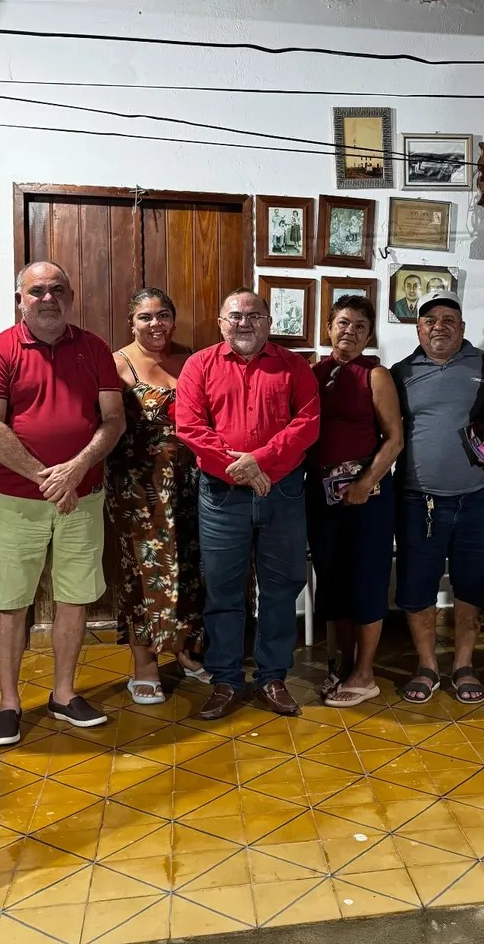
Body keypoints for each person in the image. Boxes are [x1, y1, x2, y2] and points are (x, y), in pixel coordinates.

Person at [0, 261, 126, 747]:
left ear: (70, 297)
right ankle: (8, 704)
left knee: (75, 599)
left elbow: (114, 419)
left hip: (83, 497)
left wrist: (76, 469)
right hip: (18, 499)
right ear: (20, 298)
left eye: (57, 289)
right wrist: (49, 478)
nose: (48, 298)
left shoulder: (94, 348)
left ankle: (63, 694)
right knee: (11, 603)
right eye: (37, 290)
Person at [175, 287, 320, 720]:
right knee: (223, 589)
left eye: (254, 316)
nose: (244, 323)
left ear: (269, 322)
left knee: (281, 587)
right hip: (222, 495)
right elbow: (189, 426)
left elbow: (308, 424)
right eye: (235, 316)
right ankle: (225, 679)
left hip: (283, 492)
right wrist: (240, 468)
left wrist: (260, 460)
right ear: (221, 323)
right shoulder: (199, 365)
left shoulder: (295, 366)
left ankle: (272, 676)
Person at [391, 290, 484, 706]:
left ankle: (463, 664)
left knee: (472, 585)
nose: (439, 326)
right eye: (429, 320)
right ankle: (426, 665)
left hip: (474, 498)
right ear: (418, 329)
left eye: (448, 320)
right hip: (416, 501)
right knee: (416, 586)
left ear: (462, 327)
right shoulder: (399, 373)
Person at [106, 288, 207, 705]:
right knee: (145, 573)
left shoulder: (192, 358)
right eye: (145, 317)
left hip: (191, 483)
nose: (155, 324)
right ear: (131, 323)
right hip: (139, 489)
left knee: (191, 567)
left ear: (173, 320)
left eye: (162, 315)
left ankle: (185, 649)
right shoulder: (117, 363)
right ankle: (144, 665)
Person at [308, 295, 403, 707]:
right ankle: (343, 664)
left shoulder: (375, 375)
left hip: (369, 496)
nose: (350, 331)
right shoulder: (313, 373)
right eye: (343, 323)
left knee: (366, 580)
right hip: (321, 497)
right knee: (332, 581)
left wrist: (365, 483)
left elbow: (394, 439)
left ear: (369, 335)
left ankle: (365, 673)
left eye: (360, 326)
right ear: (329, 327)